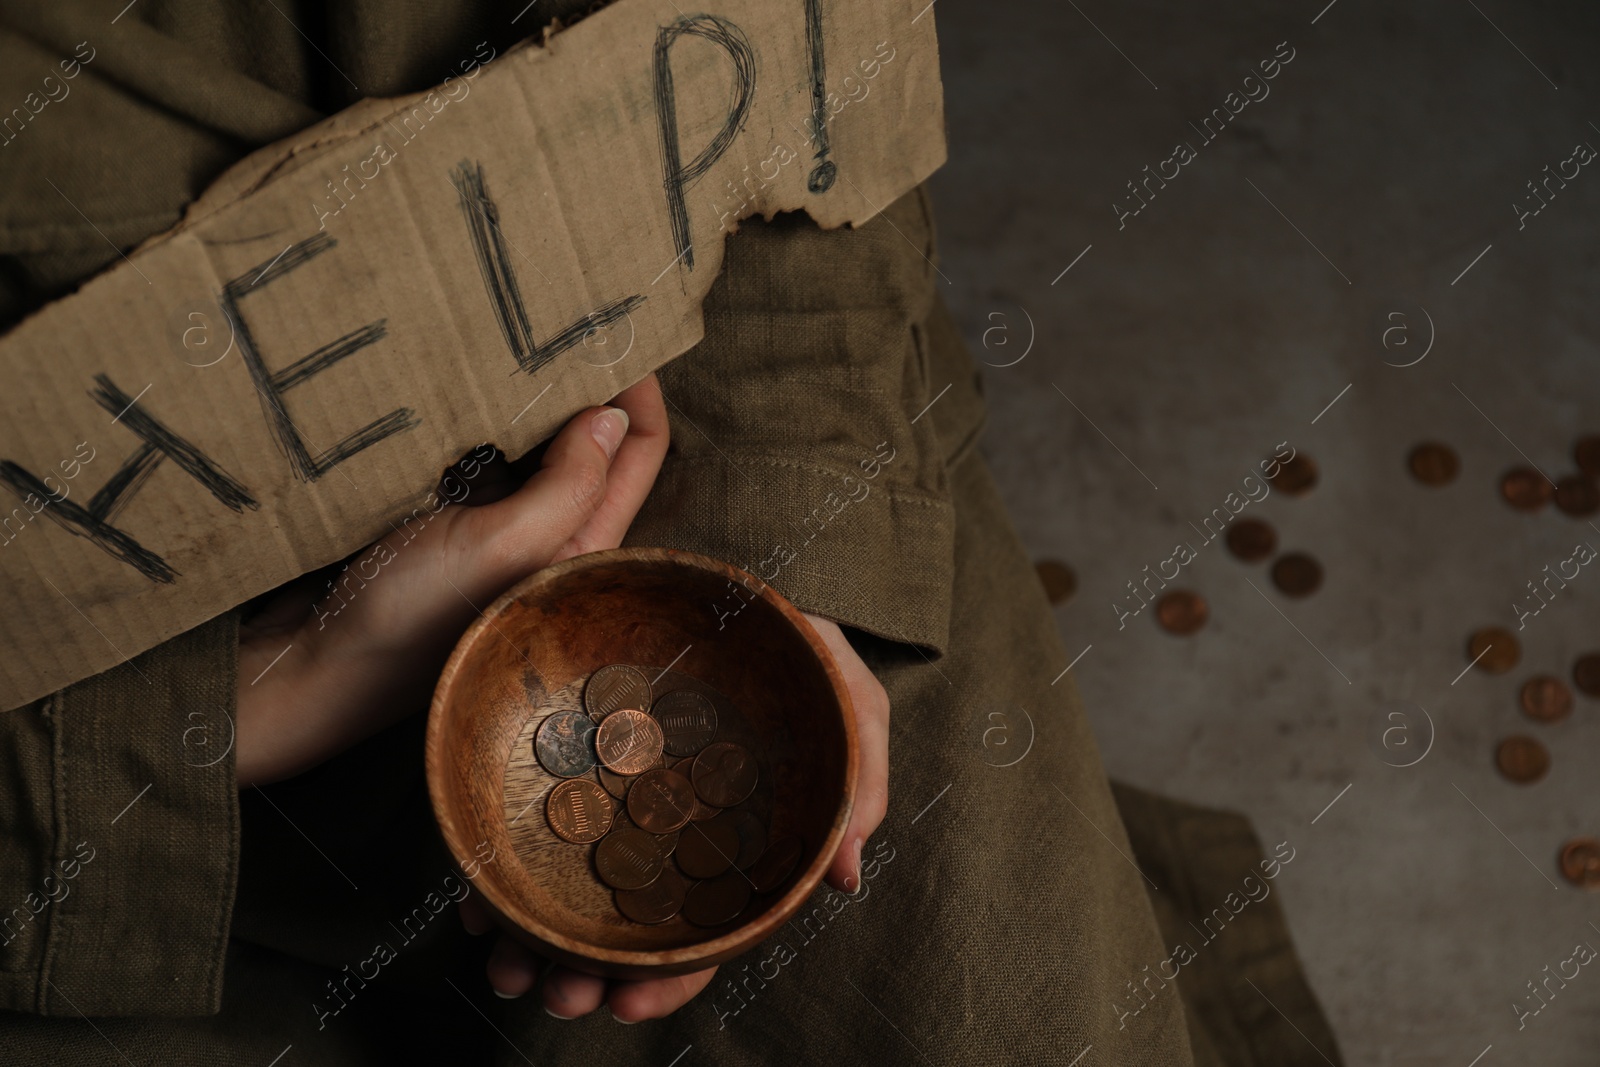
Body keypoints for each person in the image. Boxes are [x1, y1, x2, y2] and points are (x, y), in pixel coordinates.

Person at [0, 2, 1342, 1064]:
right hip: (87, 813)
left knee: (1010, 1011)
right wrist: (240, 706)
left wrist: (775, 548)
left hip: (702, 427)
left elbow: (796, 69)